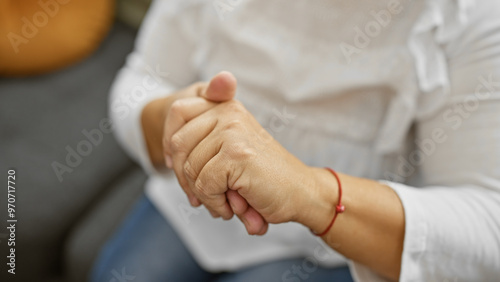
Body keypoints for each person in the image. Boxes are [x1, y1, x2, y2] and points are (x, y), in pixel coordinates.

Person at [91, 0, 500, 281]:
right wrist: (176, 120)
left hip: (335, 244)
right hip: (190, 205)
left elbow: (487, 227)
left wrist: (310, 192)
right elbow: (143, 76)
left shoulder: (468, 16)